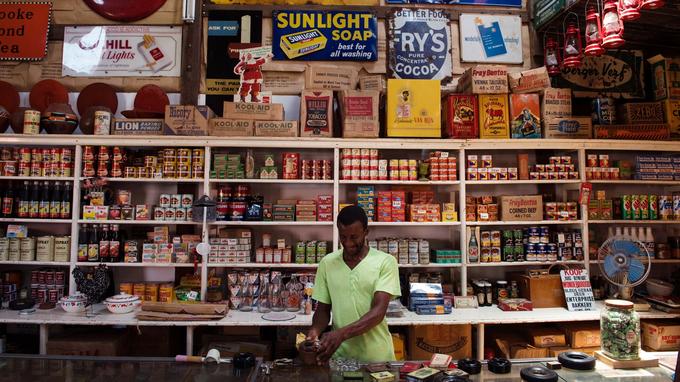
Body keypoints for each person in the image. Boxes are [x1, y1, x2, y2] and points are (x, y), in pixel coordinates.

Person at [306, 205, 401, 364]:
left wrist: (341, 334)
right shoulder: (327, 263)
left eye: (354, 237)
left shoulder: (385, 262)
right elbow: (323, 310)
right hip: (340, 358)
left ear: (366, 232)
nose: (348, 243)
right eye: (343, 237)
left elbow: (378, 311)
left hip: (376, 358)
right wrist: (314, 332)